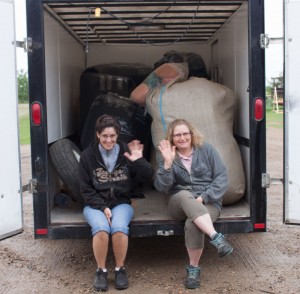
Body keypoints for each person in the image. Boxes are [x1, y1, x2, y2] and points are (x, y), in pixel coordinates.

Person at [154, 118, 233, 289]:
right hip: (178, 202)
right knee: (183, 194)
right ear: (172, 138)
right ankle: (215, 237)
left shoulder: (207, 150)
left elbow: (221, 177)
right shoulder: (168, 155)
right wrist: (167, 164)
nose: (182, 137)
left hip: (208, 202)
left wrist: (204, 197)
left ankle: (193, 269)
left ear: (191, 134)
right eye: (177, 135)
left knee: (193, 224)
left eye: (185, 133)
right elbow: (161, 186)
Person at [79, 114, 154, 291]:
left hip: (121, 202)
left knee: (119, 228)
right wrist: (103, 206)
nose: (109, 140)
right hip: (95, 204)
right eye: (104, 136)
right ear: (97, 134)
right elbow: (85, 190)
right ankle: (101, 271)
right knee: (101, 229)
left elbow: (148, 175)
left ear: (118, 134)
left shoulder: (126, 151)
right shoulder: (87, 156)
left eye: (112, 135)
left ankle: (120, 269)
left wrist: (139, 161)